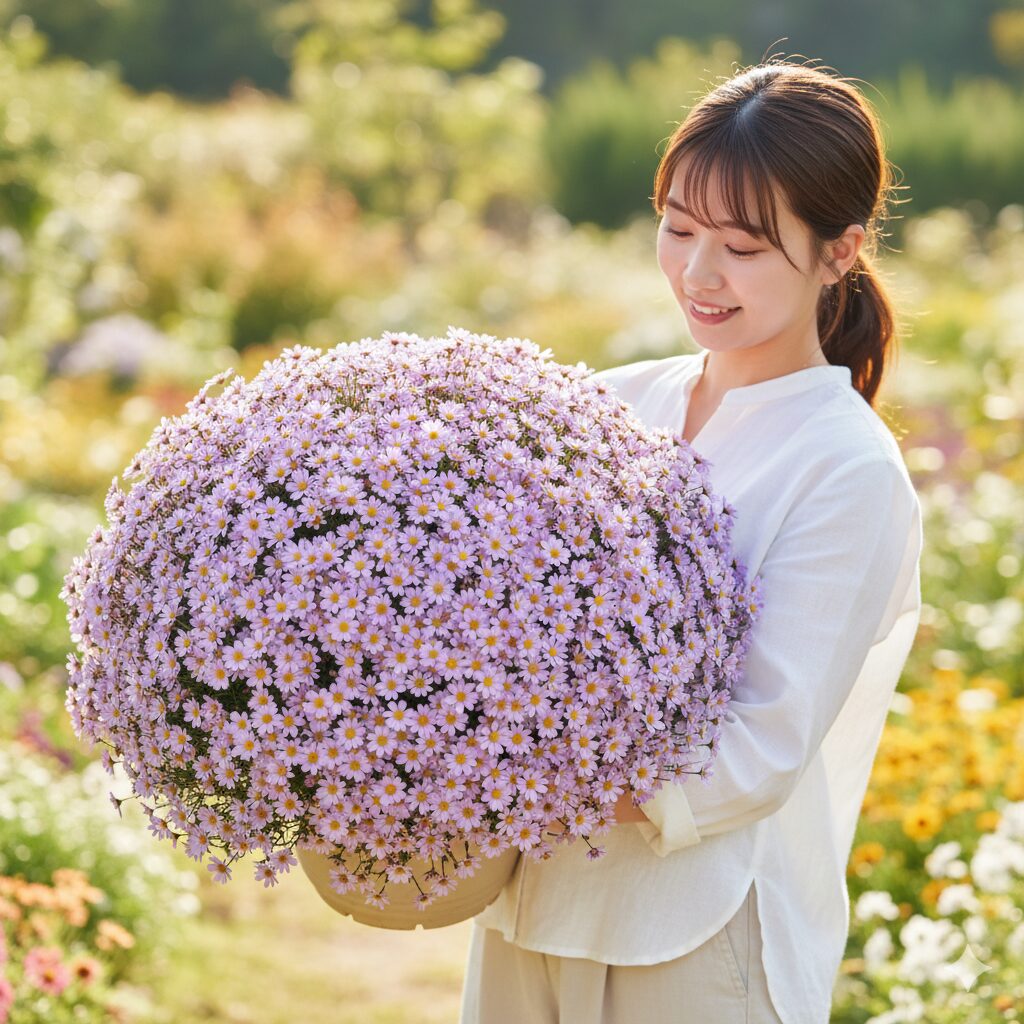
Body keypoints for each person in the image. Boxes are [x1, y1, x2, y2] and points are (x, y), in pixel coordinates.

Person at [458, 57, 923, 1024]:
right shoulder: (611, 403)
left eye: (744, 249)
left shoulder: (847, 469)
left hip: (694, 934)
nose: (698, 275)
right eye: (676, 229)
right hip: (524, 905)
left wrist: (503, 760)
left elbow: (757, 750)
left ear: (840, 251)